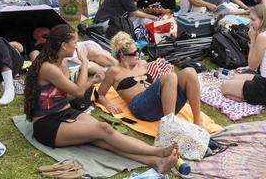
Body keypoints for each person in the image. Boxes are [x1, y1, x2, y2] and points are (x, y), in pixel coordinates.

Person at [24, 25, 179, 171]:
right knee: (103, 130)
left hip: (65, 112)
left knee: (106, 137)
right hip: (47, 126)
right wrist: (85, 62)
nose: (77, 46)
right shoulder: (48, 68)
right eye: (75, 42)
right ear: (64, 45)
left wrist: (92, 82)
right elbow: (78, 92)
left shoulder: (61, 65)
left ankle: (156, 161)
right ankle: (158, 152)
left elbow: (69, 96)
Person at [98, 31, 202, 125]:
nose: (137, 55)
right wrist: (108, 105)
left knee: (190, 72)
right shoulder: (114, 71)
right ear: (122, 56)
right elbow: (100, 94)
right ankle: (170, 126)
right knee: (170, 77)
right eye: (133, 53)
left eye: (137, 50)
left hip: (157, 104)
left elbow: (155, 84)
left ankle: (198, 121)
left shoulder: (142, 63)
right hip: (139, 107)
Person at [220, 6, 266, 105]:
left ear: (263, 20)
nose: (250, 23)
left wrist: (252, 39)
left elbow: (252, 66)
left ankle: (250, 98)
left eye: (253, 19)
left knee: (224, 86)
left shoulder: (263, 36)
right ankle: (247, 95)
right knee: (235, 77)